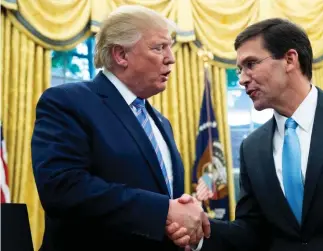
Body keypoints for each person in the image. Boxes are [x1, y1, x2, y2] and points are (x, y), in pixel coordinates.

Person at [167, 18, 323, 251]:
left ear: (289, 59)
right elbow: (251, 231)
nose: (242, 79)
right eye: (240, 69)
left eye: (250, 64)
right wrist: (200, 231)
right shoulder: (252, 148)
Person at [31, 5, 209, 251]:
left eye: (170, 47)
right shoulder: (67, 101)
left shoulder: (161, 122)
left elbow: (167, 202)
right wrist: (163, 210)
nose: (171, 57)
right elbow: (62, 188)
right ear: (121, 55)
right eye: (159, 47)